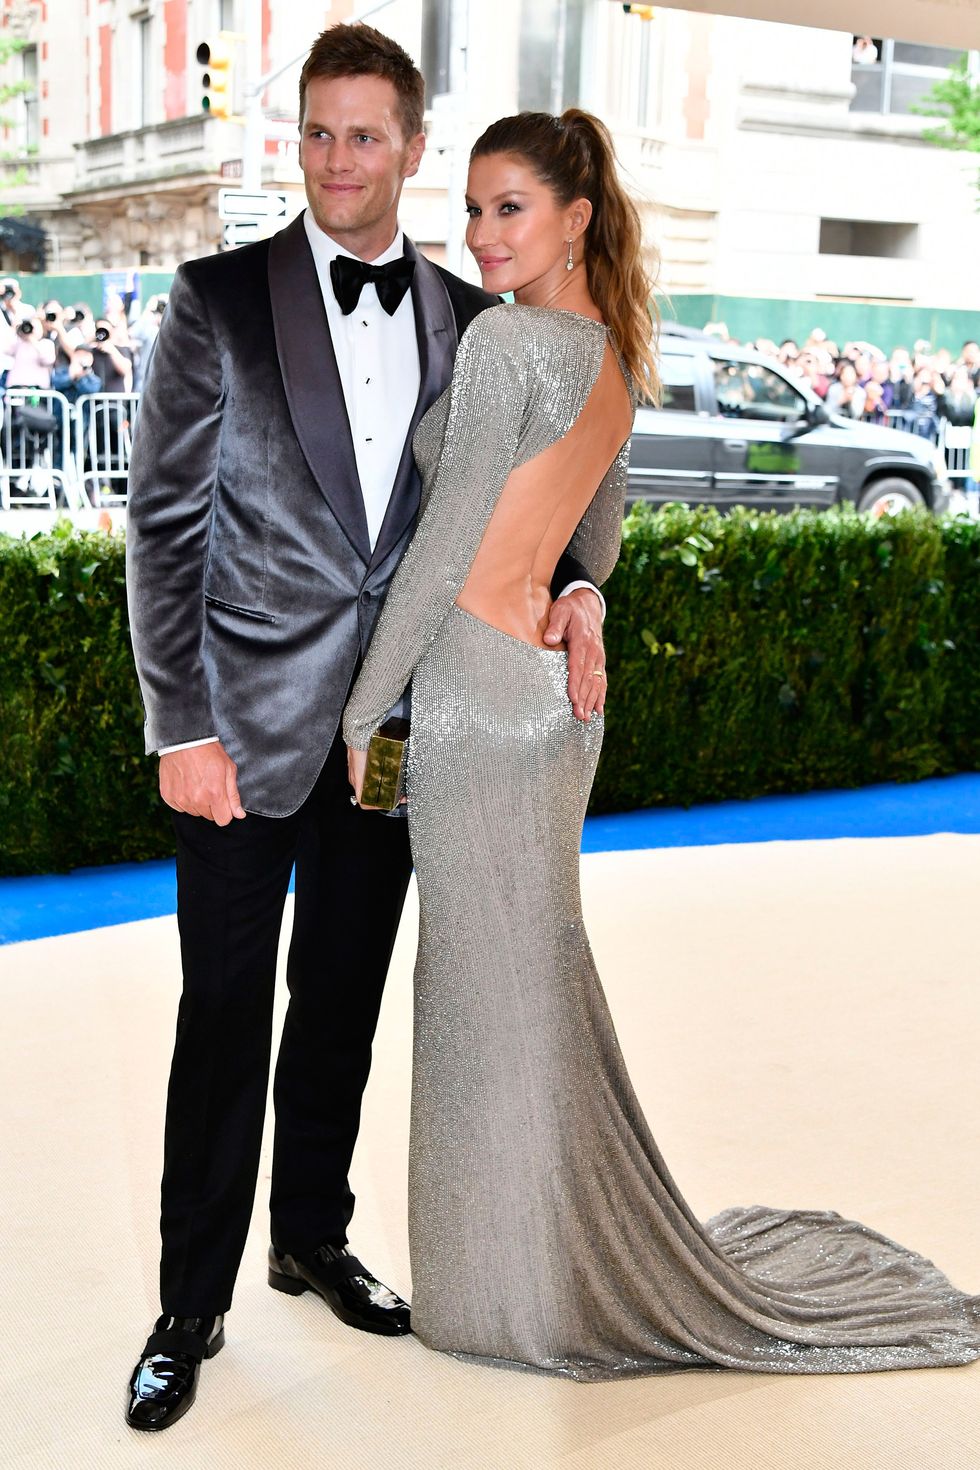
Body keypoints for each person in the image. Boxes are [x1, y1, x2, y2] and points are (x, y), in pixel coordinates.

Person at [343, 108, 980, 1380]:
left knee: (478, 1001)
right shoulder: (610, 357)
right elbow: (600, 548)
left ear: (574, 219)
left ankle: (507, 1296)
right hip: (548, 705)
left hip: (473, 696)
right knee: (526, 989)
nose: (480, 233)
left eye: (508, 207)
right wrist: (577, 602)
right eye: (470, 210)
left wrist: (366, 709)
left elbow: (440, 548)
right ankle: (538, 1268)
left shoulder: (508, 343)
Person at [123, 24, 606, 1433]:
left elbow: (557, 494)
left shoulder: (478, 313)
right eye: (320, 133)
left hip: (402, 729)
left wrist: (579, 587)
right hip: (244, 731)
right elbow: (161, 532)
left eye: (367, 135)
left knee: (339, 1001)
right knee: (222, 1019)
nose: (340, 159)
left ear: (411, 143)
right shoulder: (217, 297)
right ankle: (189, 1298)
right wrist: (183, 722)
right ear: (303, 142)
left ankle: (310, 1233)